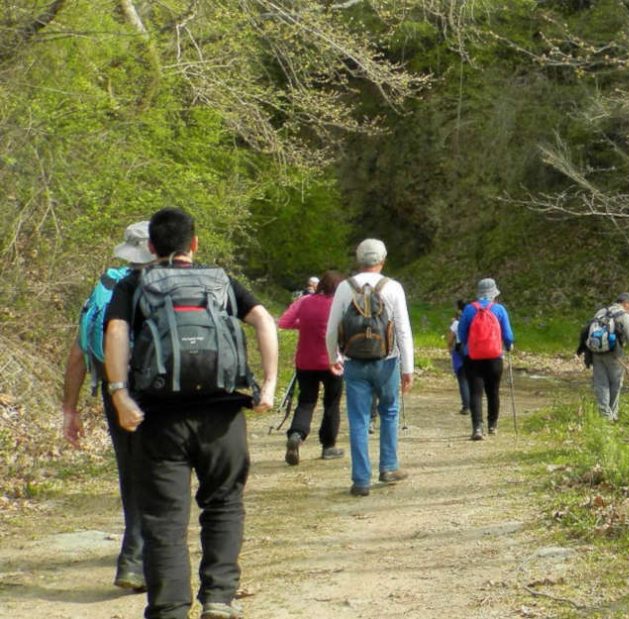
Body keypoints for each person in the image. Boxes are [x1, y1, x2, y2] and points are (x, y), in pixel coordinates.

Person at [103, 207, 278, 619]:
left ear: (150, 247)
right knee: (224, 504)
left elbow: (115, 332)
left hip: (160, 418)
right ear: (194, 244)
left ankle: (169, 609)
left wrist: (119, 395)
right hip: (223, 416)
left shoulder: (135, 283)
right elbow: (264, 320)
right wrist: (267, 385)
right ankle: (218, 597)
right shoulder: (221, 281)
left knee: (164, 518)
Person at [60, 220, 155, 593]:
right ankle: (136, 557)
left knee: (132, 473)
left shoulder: (106, 286)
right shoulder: (167, 283)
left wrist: (70, 408)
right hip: (158, 391)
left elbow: (78, 352)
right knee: (158, 472)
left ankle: (137, 552)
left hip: (114, 391)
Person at [325, 239, 414, 497]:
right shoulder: (393, 287)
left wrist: (333, 357)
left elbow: (332, 329)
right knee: (389, 411)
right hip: (387, 361)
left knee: (358, 419)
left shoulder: (345, 287)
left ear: (358, 259)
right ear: (383, 260)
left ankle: (360, 480)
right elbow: (403, 330)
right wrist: (408, 367)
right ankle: (388, 466)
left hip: (354, 363)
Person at [278, 270, 345, 464]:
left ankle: (297, 435)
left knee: (306, 401)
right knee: (331, 404)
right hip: (333, 361)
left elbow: (284, 322)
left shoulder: (304, 302)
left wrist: (304, 324)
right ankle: (328, 446)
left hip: (305, 360)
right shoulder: (339, 305)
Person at [457, 279, 515, 440]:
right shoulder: (499, 309)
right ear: (494, 294)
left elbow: (461, 334)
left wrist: (468, 346)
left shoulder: (469, 309)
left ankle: (477, 428)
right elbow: (508, 335)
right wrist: (509, 345)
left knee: (475, 393)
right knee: (493, 391)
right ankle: (492, 425)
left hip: (473, 357)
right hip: (494, 357)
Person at [585, 292, 629, 421]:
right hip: (615, 355)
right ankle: (612, 415)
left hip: (596, 353)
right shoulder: (624, 316)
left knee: (601, 383)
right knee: (615, 384)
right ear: (626, 303)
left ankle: (605, 416)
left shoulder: (601, 312)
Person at [446, 299, 471, 415]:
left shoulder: (456, 323)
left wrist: (449, 348)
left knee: (462, 379)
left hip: (460, 350)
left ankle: (466, 406)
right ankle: (474, 404)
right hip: (473, 350)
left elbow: (450, 339)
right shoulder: (473, 320)